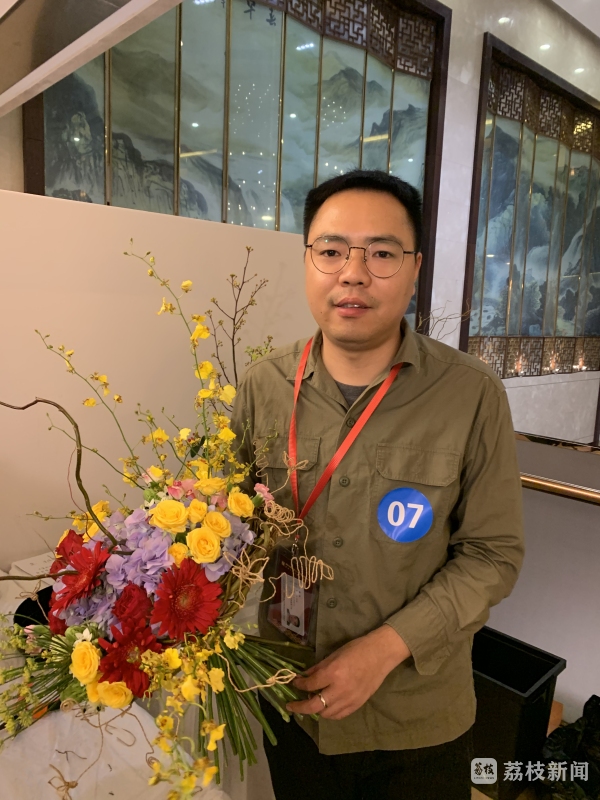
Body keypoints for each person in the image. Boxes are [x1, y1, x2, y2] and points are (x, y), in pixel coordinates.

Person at [230, 169, 524, 800]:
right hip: (291, 699)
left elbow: (492, 555)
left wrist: (384, 650)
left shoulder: (471, 394)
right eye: (332, 251)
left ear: (414, 269)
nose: (353, 274)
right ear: (307, 261)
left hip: (415, 717)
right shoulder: (262, 386)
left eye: (382, 254)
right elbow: (229, 528)